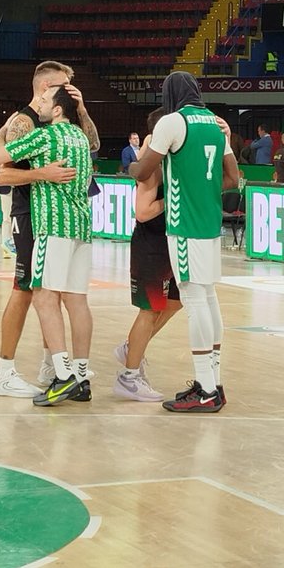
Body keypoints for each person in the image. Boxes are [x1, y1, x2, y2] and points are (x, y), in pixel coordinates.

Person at [127, 71, 241, 413]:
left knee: (193, 301)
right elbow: (233, 178)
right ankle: (215, 384)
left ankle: (205, 388)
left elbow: (145, 171)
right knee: (207, 297)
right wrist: (201, 192)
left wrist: (137, 159)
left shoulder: (173, 122)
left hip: (184, 224)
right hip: (208, 222)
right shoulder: (216, 124)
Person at [0, 61, 90, 398]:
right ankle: (5, 369)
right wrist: (41, 173)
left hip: (55, 218)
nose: (72, 88)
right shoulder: (24, 122)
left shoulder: (67, 125)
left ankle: (55, 365)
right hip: (32, 215)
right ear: (46, 87)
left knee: (53, 293)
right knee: (28, 290)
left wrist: (82, 109)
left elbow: (95, 144)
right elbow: (1, 173)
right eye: (65, 84)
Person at [116, 109, 182, 402]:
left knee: (176, 302)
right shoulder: (150, 168)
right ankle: (128, 377)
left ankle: (131, 348)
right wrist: (174, 197)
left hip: (170, 242)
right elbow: (142, 213)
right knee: (150, 309)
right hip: (151, 243)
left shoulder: (170, 163)